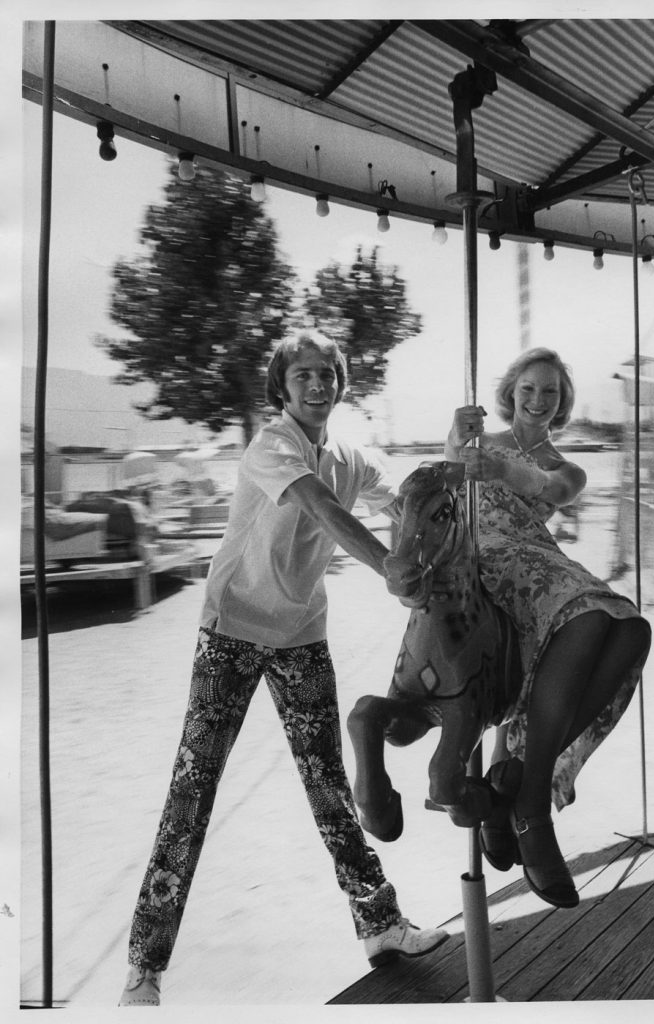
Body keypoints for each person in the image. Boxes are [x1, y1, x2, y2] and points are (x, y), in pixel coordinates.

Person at [119, 331, 447, 1006]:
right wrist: (389, 566)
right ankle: (144, 972)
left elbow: (407, 501)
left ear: (341, 382)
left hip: (299, 634)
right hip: (230, 631)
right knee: (193, 791)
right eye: (304, 374)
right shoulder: (274, 444)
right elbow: (323, 510)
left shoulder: (351, 455)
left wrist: (454, 470)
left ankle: (381, 924)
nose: (318, 383)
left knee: (329, 783)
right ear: (282, 384)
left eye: (328, 372)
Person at [445, 347, 651, 910]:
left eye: (550, 393)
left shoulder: (568, 466)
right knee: (588, 617)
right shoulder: (477, 445)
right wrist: (455, 442)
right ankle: (528, 801)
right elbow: (447, 490)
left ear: (561, 404)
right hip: (486, 559)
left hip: (537, 557)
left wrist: (506, 470)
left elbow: (551, 491)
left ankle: (515, 775)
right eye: (528, 389)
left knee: (633, 629)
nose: (538, 400)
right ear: (510, 393)